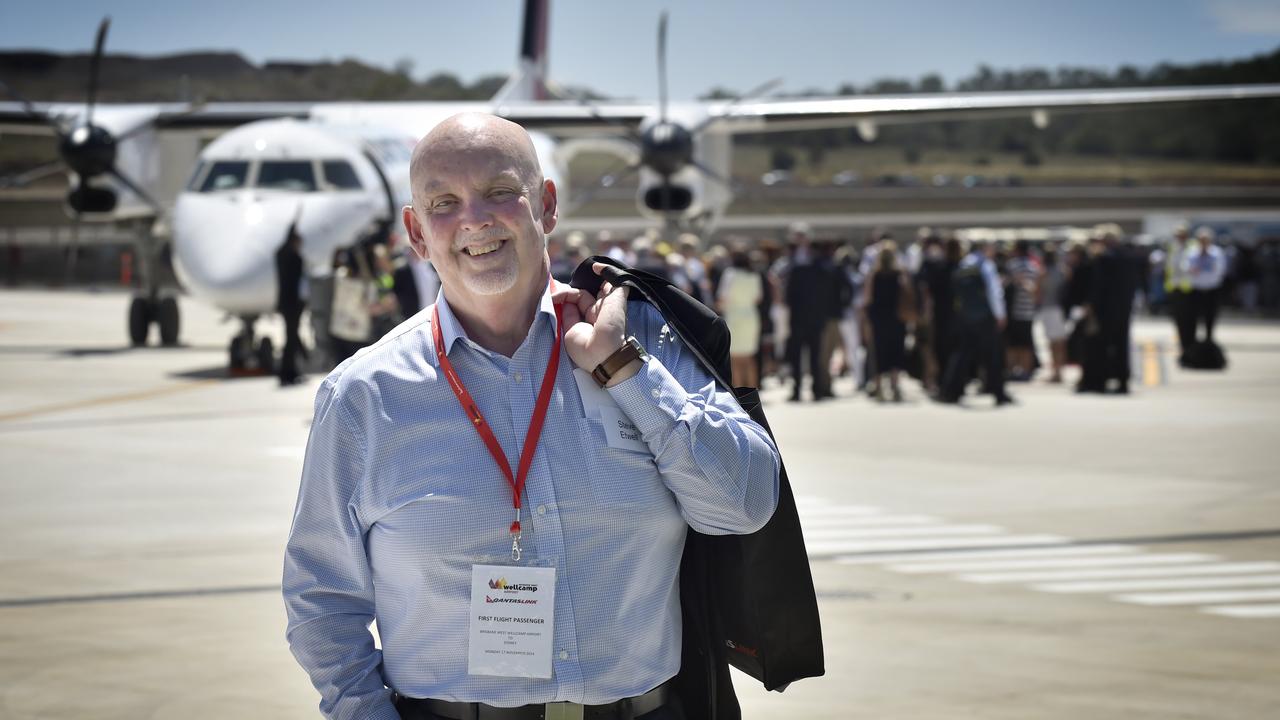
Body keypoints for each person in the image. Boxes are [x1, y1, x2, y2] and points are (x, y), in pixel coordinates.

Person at [283, 113, 780, 720]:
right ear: (416, 233)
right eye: (444, 203)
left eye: (499, 192)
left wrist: (627, 374)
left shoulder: (645, 347)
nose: (474, 219)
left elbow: (744, 505)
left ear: (545, 205)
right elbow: (321, 594)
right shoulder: (363, 394)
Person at [937, 242, 1014, 406]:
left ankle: (951, 390)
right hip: (985, 317)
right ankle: (998, 391)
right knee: (993, 355)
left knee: (962, 353)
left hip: (965, 316)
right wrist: (1000, 315)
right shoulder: (986, 265)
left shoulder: (964, 263)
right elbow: (994, 292)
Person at [863, 240, 912, 402]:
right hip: (897, 318)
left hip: (878, 318)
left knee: (879, 351)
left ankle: (878, 388)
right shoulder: (899, 274)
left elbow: (867, 298)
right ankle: (895, 385)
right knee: (896, 350)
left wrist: (866, 318)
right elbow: (907, 294)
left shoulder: (874, 275)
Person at [716, 244, 763, 388]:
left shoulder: (730, 274)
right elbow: (758, 298)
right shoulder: (754, 275)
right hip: (751, 316)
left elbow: (722, 298)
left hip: (735, 317)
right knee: (749, 358)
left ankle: (740, 396)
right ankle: (752, 393)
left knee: (735, 359)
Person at [274, 223, 306, 386]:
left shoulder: (280, 253)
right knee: (291, 339)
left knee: (290, 337)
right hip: (294, 304)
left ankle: (290, 371)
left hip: (284, 303)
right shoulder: (295, 257)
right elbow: (299, 283)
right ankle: (288, 372)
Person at [1185, 226, 1227, 345]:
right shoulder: (1192, 252)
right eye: (1201, 239)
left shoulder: (1216, 252)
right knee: (1194, 317)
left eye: (1206, 239)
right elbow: (1186, 268)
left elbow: (1221, 270)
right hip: (1196, 289)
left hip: (1212, 289)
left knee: (1211, 316)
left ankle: (1209, 340)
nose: (1203, 242)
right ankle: (1193, 342)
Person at [1035, 245, 1069, 383]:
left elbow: (1037, 293)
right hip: (1061, 309)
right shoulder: (1063, 271)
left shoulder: (1043, 273)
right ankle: (1059, 371)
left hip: (1048, 309)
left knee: (1053, 343)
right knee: (1060, 342)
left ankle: (1056, 372)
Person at [1164, 223, 1196, 365]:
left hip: (1190, 291)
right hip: (1176, 290)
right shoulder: (1173, 247)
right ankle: (1184, 351)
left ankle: (1191, 352)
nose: (1179, 237)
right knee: (1180, 323)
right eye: (1177, 235)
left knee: (1191, 324)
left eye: (1182, 234)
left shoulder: (1193, 247)